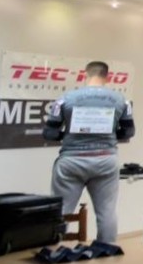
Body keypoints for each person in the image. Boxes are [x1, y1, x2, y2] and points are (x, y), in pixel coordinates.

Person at [44, 60, 135, 243]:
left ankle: (53, 249)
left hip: (71, 159)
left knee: (62, 211)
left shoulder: (66, 98)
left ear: (85, 74)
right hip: (105, 160)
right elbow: (128, 132)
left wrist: (68, 135)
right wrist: (107, 134)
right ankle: (108, 250)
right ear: (107, 77)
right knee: (107, 212)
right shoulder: (121, 100)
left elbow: (49, 133)